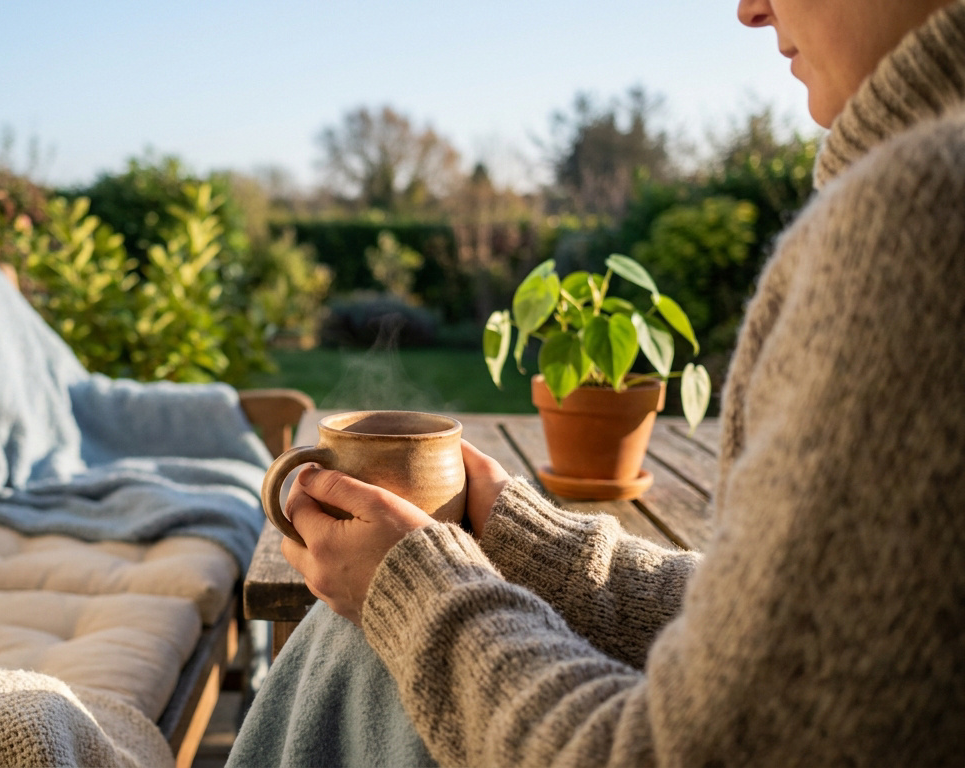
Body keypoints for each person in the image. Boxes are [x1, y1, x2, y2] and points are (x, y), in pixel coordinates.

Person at [265, 0, 965, 764]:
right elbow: (801, 635)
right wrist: (522, 541)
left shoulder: (924, 218)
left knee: (357, 639)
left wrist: (414, 593)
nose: (750, 10)